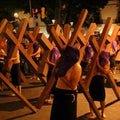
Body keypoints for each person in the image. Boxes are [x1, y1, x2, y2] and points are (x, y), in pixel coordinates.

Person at [50, 45, 82, 120]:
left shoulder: (76, 67)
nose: (63, 56)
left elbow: (73, 85)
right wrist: (57, 63)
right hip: (58, 92)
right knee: (56, 116)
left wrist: (62, 77)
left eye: (65, 54)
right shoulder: (64, 64)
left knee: (67, 117)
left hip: (68, 95)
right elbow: (54, 74)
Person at [87, 49, 110, 118]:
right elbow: (89, 69)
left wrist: (98, 65)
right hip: (94, 79)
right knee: (91, 97)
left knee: (102, 97)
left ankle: (102, 112)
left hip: (100, 80)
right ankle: (91, 112)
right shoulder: (96, 60)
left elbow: (105, 71)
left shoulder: (106, 62)